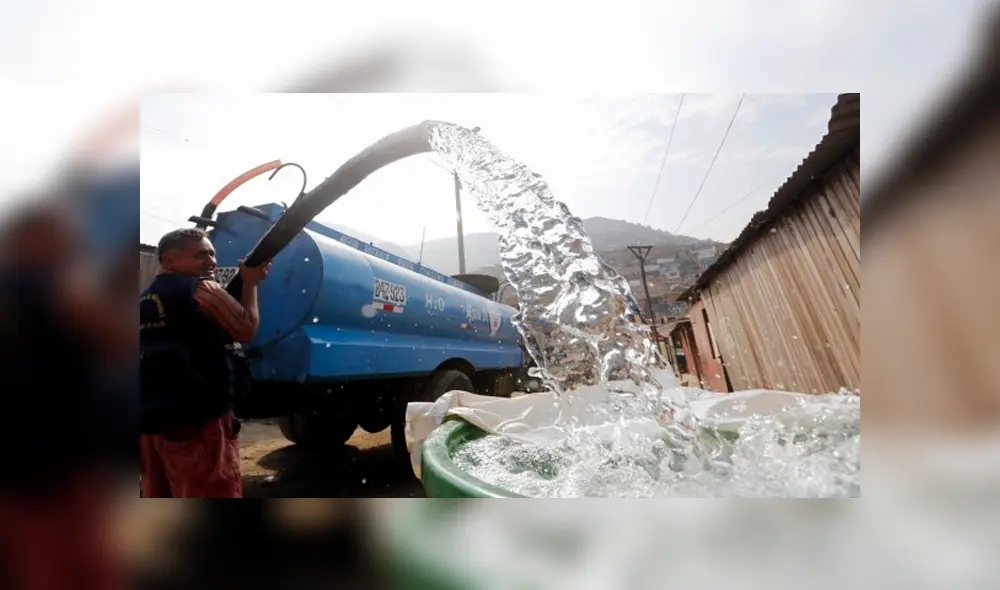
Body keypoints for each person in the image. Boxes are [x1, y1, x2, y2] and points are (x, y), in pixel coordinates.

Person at [139, 228, 271, 498]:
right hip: (200, 424)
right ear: (170, 260)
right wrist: (250, 284)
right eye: (201, 254)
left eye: (212, 253)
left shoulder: (144, 298)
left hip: (154, 423)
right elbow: (245, 329)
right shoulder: (202, 288)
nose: (211, 261)